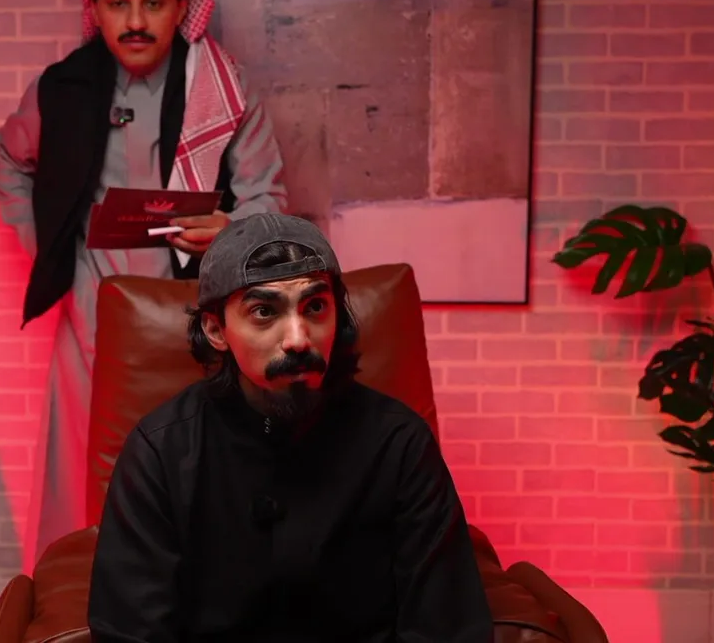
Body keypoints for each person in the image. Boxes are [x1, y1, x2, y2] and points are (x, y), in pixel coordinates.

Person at [0, 0, 287, 567]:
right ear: (94, 7)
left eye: (153, 3)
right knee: (82, 478)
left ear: (182, 6)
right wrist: (55, 249)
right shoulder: (62, 88)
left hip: (195, 314)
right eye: (117, 4)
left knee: (195, 474)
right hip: (91, 311)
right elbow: (11, 163)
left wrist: (230, 230)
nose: (134, 22)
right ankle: (76, 604)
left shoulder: (222, 87)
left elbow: (267, 198)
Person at [88, 213, 493, 642]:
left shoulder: (399, 445)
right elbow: (129, 633)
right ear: (216, 330)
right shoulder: (160, 451)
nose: (298, 338)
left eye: (315, 307)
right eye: (264, 312)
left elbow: (447, 628)